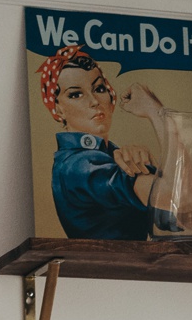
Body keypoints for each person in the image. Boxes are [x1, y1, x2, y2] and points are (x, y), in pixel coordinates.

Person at [39, 44, 172, 240]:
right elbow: (178, 199)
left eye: (99, 88)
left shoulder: (109, 155)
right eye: (76, 94)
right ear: (58, 110)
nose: (94, 101)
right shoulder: (79, 165)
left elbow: (186, 217)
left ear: (110, 97)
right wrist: (155, 111)